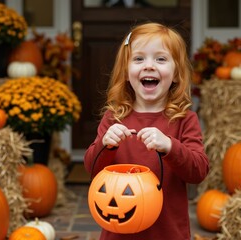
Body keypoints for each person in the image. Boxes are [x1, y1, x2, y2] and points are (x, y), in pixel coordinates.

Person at [84, 22, 210, 240]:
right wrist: (105, 145)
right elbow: (92, 168)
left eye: (160, 59)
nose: (149, 66)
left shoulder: (184, 120)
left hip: (167, 233)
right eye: (139, 59)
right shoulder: (113, 119)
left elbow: (198, 171)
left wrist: (171, 146)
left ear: (177, 73)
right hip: (118, 233)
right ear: (125, 72)